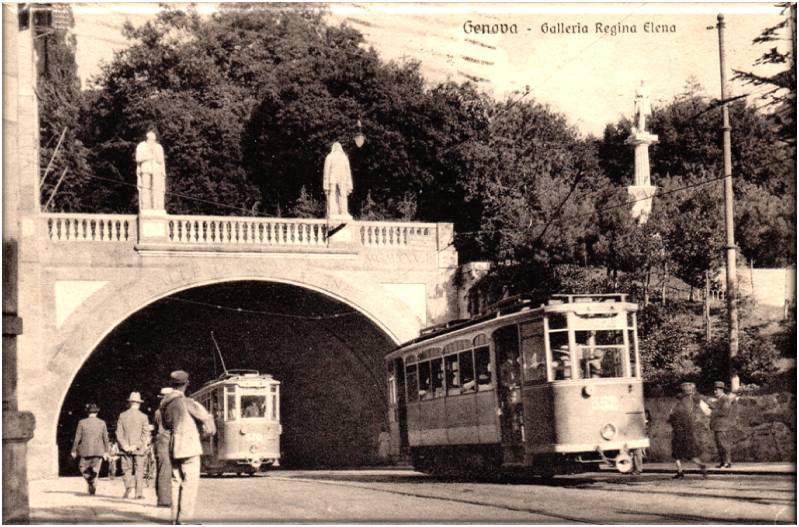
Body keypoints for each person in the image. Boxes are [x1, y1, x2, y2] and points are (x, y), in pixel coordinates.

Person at [162, 370, 216, 525]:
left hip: (174, 446)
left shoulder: (165, 404)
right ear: (186, 384)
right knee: (190, 483)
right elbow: (207, 419)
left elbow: (166, 425)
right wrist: (206, 433)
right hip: (189, 446)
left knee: (176, 482)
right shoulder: (186, 402)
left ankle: (174, 518)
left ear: (172, 384)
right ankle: (184, 519)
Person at [668, 382, 709, 479]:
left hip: (679, 432)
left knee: (676, 453)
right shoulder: (692, 403)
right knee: (691, 453)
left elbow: (672, 416)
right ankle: (700, 465)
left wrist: (671, 419)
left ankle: (680, 471)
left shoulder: (680, 404)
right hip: (689, 432)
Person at [117, 391, 150, 499]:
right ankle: (138, 493)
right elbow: (145, 434)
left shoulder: (122, 416)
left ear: (130, 403)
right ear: (139, 403)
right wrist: (136, 445)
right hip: (139, 449)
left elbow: (119, 433)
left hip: (125, 448)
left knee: (126, 469)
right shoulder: (144, 417)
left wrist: (125, 446)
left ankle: (128, 487)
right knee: (139, 470)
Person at [71, 403, 109, 495]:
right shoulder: (102, 423)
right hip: (98, 451)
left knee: (82, 467)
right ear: (97, 412)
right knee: (95, 469)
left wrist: (74, 450)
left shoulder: (82, 422)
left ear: (87, 412)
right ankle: (92, 486)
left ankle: (90, 481)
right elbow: (105, 438)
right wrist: (106, 451)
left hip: (85, 451)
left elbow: (77, 437)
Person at [135, 129, 166, 210]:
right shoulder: (141, 146)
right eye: (150, 139)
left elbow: (161, 160)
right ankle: (145, 207)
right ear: (147, 138)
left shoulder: (158, 147)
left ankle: (157, 207)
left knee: (157, 188)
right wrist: (148, 156)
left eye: (153, 139)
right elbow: (138, 158)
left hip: (156, 170)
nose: (152, 141)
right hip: (145, 169)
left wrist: (155, 152)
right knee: (145, 188)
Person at [154, 387, 174, 508]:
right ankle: (164, 500)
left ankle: (162, 497)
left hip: (160, 441)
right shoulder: (166, 411)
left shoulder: (158, 411)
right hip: (166, 441)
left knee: (162, 469)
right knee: (166, 470)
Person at [323, 142, 353, 219]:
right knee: (342, 195)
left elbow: (326, 171)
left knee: (333, 195)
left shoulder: (330, 157)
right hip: (341, 179)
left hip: (334, 178)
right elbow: (348, 171)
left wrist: (325, 185)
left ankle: (337, 212)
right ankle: (342, 212)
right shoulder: (344, 157)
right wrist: (350, 184)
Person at [710, 381, 737, 469]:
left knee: (723, 444)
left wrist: (713, 409)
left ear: (721, 390)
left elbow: (724, 412)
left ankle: (727, 462)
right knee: (719, 445)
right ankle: (722, 462)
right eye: (714, 390)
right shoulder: (720, 399)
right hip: (718, 425)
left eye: (716, 390)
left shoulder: (725, 398)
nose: (715, 392)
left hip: (722, 425)